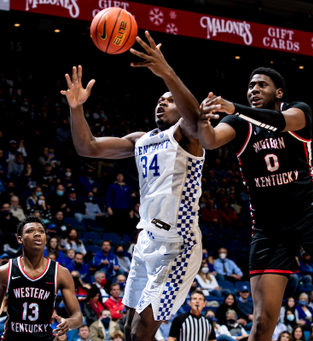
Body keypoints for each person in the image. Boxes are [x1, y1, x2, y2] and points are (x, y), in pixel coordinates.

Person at [196, 66, 313, 341]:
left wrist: (233, 106)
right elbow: (209, 141)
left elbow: (280, 123)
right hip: (269, 230)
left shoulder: (299, 111)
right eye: (250, 86)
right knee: (261, 326)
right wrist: (202, 120)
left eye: (262, 85)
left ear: (279, 92)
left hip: (311, 216)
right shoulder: (239, 123)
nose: (254, 90)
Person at [62, 31, 205, 341]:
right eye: (159, 100)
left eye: (169, 101)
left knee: (142, 331)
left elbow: (194, 117)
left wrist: (166, 72)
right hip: (146, 242)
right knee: (128, 329)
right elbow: (88, 147)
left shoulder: (189, 136)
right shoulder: (141, 140)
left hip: (177, 244)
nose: (162, 104)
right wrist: (76, 108)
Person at [0, 215, 82, 341]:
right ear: (20, 239)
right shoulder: (5, 271)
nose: (37, 234)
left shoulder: (61, 273)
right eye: (30, 231)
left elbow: (77, 316)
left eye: (41, 231)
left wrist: (69, 322)